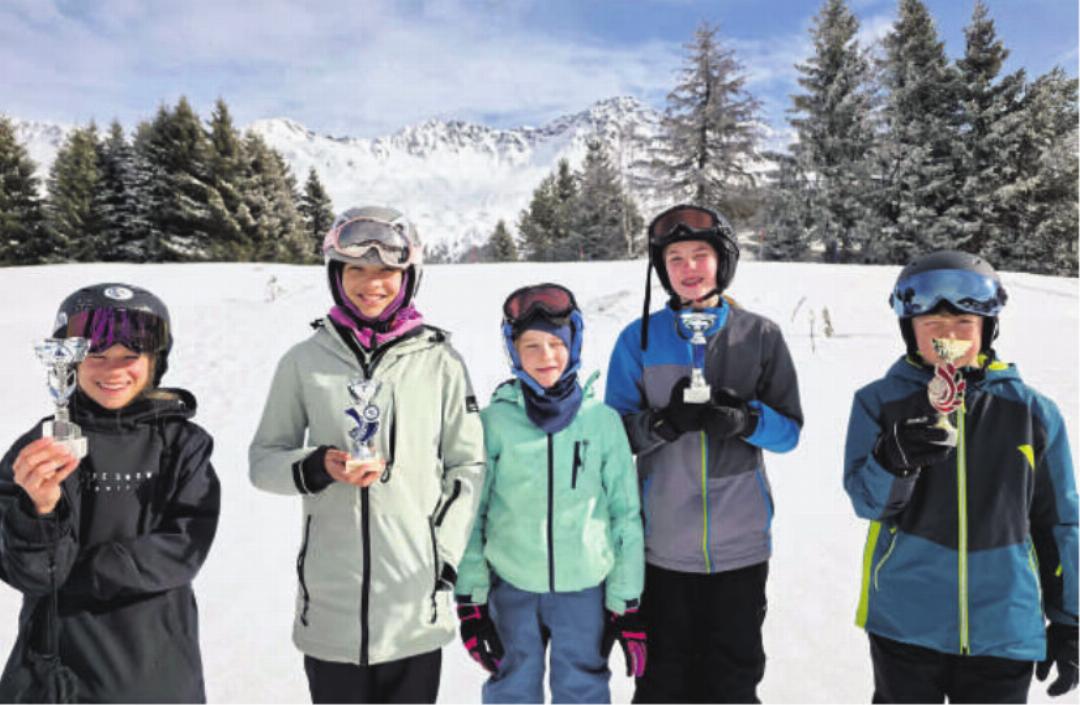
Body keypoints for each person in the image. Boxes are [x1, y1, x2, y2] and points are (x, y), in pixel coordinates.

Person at [249, 206, 486, 704]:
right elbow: (264, 461)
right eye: (356, 268)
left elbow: (468, 465)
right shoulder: (304, 361)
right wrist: (316, 466)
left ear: (408, 277)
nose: (371, 283)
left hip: (413, 604)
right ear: (336, 274)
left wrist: (442, 555)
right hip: (331, 609)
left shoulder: (440, 362)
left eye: (386, 271)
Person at [843, 250, 1078, 703]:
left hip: (1004, 626)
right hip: (906, 622)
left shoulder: (1032, 413)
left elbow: (1061, 521)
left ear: (987, 328)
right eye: (932, 324)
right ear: (909, 329)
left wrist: (1071, 620)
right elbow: (868, 502)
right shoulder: (879, 403)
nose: (947, 335)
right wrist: (894, 461)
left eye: (963, 323)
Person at [605, 204, 803, 703]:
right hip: (662, 549)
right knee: (661, 682)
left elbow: (789, 433)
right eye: (675, 258)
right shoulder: (638, 340)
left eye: (700, 255)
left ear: (724, 260)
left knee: (733, 682)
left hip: (740, 547)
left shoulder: (760, 336)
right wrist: (662, 424)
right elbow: (614, 438)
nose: (688, 268)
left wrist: (747, 420)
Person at [0, 283, 221, 702]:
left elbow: (182, 550)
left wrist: (77, 571)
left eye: (129, 356)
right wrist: (39, 511)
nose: (113, 370)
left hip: (154, 670)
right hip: (54, 673)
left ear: (155, 361)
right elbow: (30, 574)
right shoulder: (39, 449)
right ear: (69, 362)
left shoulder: (182, 445)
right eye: (97, 355)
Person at [454, 283, 646, 704]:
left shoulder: (601, 421)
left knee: (583, 687)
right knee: (511, 686)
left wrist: (626, 600)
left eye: (556, 344)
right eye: (531, 346)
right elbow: (472, 514)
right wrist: (471, 598)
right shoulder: (494, 424)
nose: (546, 356)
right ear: (513, 352)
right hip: (511, 585)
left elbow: (625, 515)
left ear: (573, 345)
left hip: (585, 589)